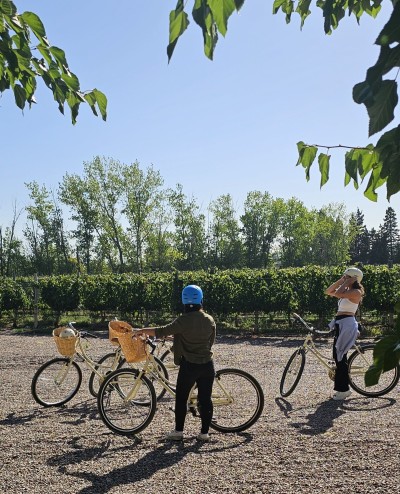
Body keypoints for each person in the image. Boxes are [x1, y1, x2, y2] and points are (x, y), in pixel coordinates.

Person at [134, 284, 216, 442]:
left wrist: (142, 330)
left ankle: (178, 432)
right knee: (205, 399)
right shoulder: (209, 320)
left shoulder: (183, 320)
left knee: (181, 398)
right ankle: (204, 433)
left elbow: (161, 330)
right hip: (207, 365)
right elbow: (210, 342)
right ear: (201, 300)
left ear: (184, 301)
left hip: (189, 366)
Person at [325, 267, 365, 400]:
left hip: (347, 324)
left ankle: (344, 390)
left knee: (340, 356)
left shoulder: (356, 292)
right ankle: (342, 388)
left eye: (346, 277)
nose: (344, 279)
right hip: (341, 323)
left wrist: (347, 282)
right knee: (338, 356)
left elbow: (337, 294)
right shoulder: (347, 290)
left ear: (353, 278)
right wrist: (341, 280)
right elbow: (328, 291)